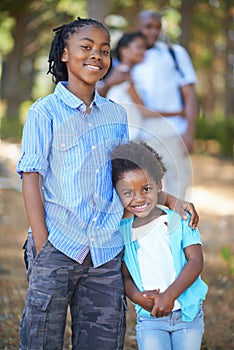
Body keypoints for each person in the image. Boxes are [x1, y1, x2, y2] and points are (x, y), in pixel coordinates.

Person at [16, 17, 199, 350]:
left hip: (105, 250)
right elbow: (31, 179)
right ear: (64, 55)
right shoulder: (45, 112)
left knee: (101, 342)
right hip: (57, 244)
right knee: (41, 340)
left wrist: (171, 200)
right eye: (86, 48)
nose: (96, 56)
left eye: (103, 50)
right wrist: (43, 246)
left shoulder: (115, 115)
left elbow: (125, 179)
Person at [111, 141, 208, 350]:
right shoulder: (123, 232)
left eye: (146, 189)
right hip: (151, 319)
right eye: (128, 193)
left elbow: (196, 261)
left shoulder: (181, 219)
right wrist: (137, 298)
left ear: (159, 185)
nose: (139, 198)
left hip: (187, 316)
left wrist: (169, 295)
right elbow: (125, 276)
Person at [99, 10, 198, 200]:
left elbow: (189, 93)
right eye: (148, 27)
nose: (153, 32)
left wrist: (190, 130)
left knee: (178, 184)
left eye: (157, 27)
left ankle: (178, 227)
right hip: (136, 136)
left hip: (171, 132)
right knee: (141, 190)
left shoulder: (174, 54)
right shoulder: (121, 64)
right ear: (137, 26)